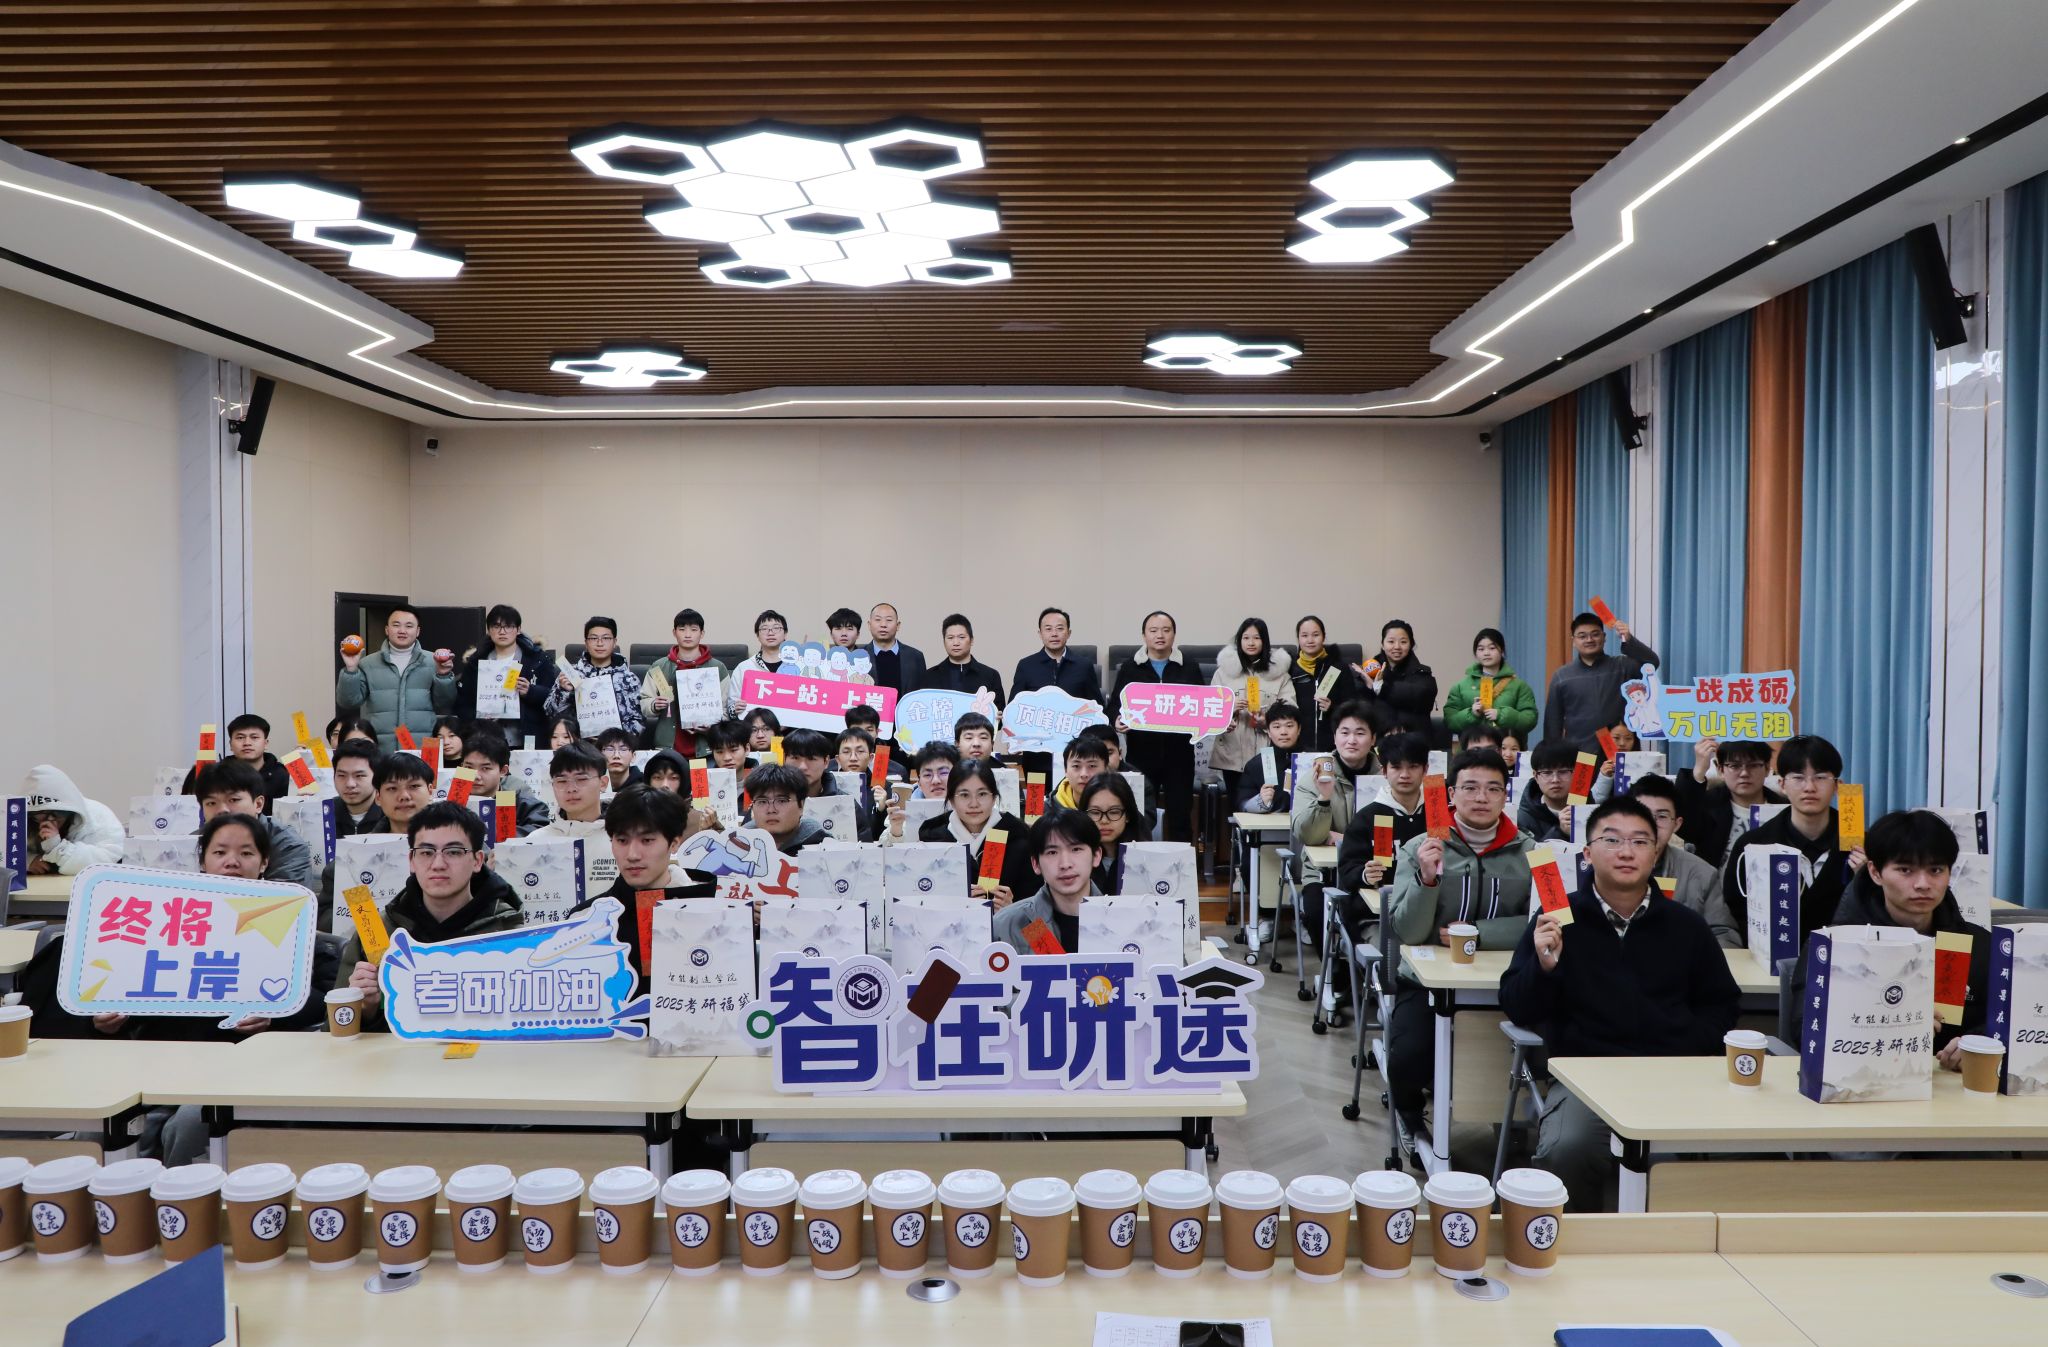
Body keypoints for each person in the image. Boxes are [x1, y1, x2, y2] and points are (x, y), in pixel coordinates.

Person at [1500, 795, 1740, 1209]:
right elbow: (1518, 1007)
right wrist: (1544, 967)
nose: (1626, 852)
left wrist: (1686, 1043)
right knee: (1567, 1150)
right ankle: (1580, 1240)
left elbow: (1722, 1004)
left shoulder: (1686, 926)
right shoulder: (1558, 920)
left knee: (1691, 1162)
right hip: (1587, 1077)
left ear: (1656, 852)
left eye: (1640, 841)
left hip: (1673, 1076)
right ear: (1588, 853)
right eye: (1611, 840)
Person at [1384, 747, 1535, 1139]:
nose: (1481, 797)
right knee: (1408, 1054)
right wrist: (1427, 879)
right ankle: (1409, 1113)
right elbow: (1408, 931)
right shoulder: (1419, 846)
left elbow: (1553, 921)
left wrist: (1479, 933)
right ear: (1450, 793)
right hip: (1428, 983)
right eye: (1470, 787)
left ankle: (1516, 1117)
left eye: (1493, 788)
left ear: (1506, 795)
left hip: (1511, 983)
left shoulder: (1536, 853)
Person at [1796, 809, 1990, 1063]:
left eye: (1935, 870)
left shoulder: (1979, 946)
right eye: (1905, 870)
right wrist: (1889, 1027)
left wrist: (1979, 1042)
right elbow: (1804, 1030)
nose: (1923, 884)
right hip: (1866, 1078)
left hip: (1953, 1083)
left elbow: (2008, 1021)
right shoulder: (1833, 948)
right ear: (1875, 873)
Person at [336, 802, 525, 1033]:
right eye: (426, 852)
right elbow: (335, 1027)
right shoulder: (378, 930)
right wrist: (366, 1011)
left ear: (477, 860)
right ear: (411, 860)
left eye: (453, 852)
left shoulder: (509, 932)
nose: (438, 864)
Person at [1721, 735, 1864, 948]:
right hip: (1770, 956)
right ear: (1782, 784)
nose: (1809, 787)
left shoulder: (1862, 845)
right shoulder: (1754, 844)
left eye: (1820, 777)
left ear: (1837, 786)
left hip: (1844, 957)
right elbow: (1736, 910)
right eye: (1798, 778)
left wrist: (1864, 880)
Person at [571, 785, 717, 977]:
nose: (632, 855)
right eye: (622, 840)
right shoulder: (584, 919)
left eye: (647, 840)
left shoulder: (715, 916)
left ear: (674, 843)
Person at [895, 758, 1035, 909]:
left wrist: (1013, 911)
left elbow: (1038, 915)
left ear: (994, 797)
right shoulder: (932, 842)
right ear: (951, 800)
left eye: (982, 794)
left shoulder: (1020, 840)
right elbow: (917, 904)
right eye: (964, 795)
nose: (974, 804)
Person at [1107, 611, 1196, 842]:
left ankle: (1182, 863)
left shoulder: (1189, 667)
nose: (1160, 635)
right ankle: (1137, 859)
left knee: (1180, 816)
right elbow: (1115, 705)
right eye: (1153, 630)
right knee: (1139, 814)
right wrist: (1117, 720)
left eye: (1166, 630)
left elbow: (1202, 706)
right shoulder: (1130, 668)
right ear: (1144, 635)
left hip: (1180, 755)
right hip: (1142, 754)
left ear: (1174, 634)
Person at [1627, 775, 1741, 947]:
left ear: (1677, 824)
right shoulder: (1600, 865)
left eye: (1662, 816)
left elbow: (1724, 933)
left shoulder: (1702, 874)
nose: (1651, 824)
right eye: (1643, 814)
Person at [1333, 730, 1431, 908]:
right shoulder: (1368, 817)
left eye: (1413, 766)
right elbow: (1347, 870)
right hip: (1378, 911)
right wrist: (1364, 875)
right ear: (1384, 771)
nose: (1405, 774)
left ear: (1425, 769)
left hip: (1430, 906)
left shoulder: (1438, 814)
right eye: (1396, 767)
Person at [336, 607, 458, 751]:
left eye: (409, 626)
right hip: (380, 748)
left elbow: (445, 703)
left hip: (422, 746)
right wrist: (350, 669)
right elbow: (348, 702)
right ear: (387, 629)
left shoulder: (433, 661)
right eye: (396, 625)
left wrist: (443, 675)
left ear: (418, 631)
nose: (402, 630)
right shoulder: (368, 663)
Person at [1542, 610, 1662, 748]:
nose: (1589, 640)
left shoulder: (1622, 666)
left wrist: (1629, 640)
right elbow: (1553, 722)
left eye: (1595, 634)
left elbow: (1651, 663)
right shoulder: (1562, 676)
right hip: (1582, 753)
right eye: (1582, 636)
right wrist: (1552, 755)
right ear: (1573, 641)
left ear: (1604, 637)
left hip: (1619, 750)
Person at [192, 759, 317, 890]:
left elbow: (286, 898)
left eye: (233, 800)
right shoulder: (193, 841)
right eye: (211, 803)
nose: (222, 810)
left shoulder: (288, 845)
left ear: (258, 804)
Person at [993, 810, 1105, 955]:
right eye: (1052, 852)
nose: (1065, 864)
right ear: (1035, 864)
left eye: (1076, 849)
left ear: (1096, 856)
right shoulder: (1006, 925)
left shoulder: (1122, 919)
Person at [1210, 617, 1296, 806]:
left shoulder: (1279, 674)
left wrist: (1267, 719)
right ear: (1239, 641)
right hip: (1232, 751)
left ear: (1264, 641)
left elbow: (1290, 710)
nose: (1251, 642)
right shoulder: (1223, 673)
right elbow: (1209, 709)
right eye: (1246, 638)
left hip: (1268, 751)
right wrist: (1228, 713)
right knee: (1236, 804)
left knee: (1269, 801)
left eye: (1256, 638)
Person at [456, 603, 558, 748]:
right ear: (489, 630)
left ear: (518, 630)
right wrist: (478, 719)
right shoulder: (476, 662)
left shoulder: (537, 660)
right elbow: (463, 703)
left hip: (528, 737)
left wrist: (531, 691)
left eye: (508, 626)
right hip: (487, 739)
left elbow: (554, 697)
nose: (502, 632)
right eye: (496, 626)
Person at [1673, 738, 1784, 870]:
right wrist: (1698, 772)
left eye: (1753, 765)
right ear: (1721, 770)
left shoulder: (1784, 809)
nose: (1744, 773)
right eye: (1734, 766)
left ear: (1767, 768)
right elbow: (1683, 826)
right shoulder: (1709, 806)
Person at [641, 608, 727, 758]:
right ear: (674, 632)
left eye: (693, 630)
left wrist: (711, 725)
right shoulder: (659, 667)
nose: (687, 635)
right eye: (682, 629)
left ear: (702, 633)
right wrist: (654, 704)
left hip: (706, 749)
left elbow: (726, 709)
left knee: (702, 775)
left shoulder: (717, 668)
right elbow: (644, 702)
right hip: (668, 749)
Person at [544, 616, 645, 740]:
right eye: (593, 638)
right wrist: (563, 690)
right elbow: (550, 713)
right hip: (578, 745)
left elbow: (638, 720)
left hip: (615, 746)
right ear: (586, 643)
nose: (600, 643)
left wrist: (615, 741)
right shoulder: (571, 674)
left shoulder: (629, 679)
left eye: (606, 638)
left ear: (614, 642)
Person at [14, 764, 123, 875]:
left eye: (57, 813)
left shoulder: (98, 815)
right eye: (39, 814)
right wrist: (27, 860)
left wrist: (58, 849)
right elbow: (6, 850)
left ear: (69, 809)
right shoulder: (22, 819)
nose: (49, 820)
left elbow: (109, 860)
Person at [1442, 628, 1540, 741]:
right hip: (1473, 748)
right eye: (1481, 649)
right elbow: (1450, 721)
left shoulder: (1520, 686)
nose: (1486, 653)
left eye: (1492, 648)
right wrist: (1472, 714)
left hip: (1505, 749)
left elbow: (1530, 719)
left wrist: (1502, 715)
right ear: (1476, 653)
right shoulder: (1460, 687)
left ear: (1502, 651)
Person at [179, 713, 292, 808]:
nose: (247, 743)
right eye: (240, 737)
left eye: (254, 737)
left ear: (265, 743)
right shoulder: (214, 774)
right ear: (230, 745)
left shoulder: (283, 774)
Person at [1285, 615, 1362, 751]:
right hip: (1298, 745)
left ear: (1324, 637)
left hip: (1333, 744)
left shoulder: (1338, 667)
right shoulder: (1290, 670)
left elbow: (1353, 706)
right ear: (1298, 638)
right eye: (1304, 635)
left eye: (1315, 635)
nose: (1310, 640)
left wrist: (1333, 708)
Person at [782, 728, 874, 841]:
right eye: (795, 758)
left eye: (811, 758)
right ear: (784, 759)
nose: (803, 767)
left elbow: (864, 847)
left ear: (826, 761)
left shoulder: (845, 804)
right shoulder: (771, 800)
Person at [457, 728, 551, 837]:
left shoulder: (518, 801)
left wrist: (495, 835)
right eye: (469, 767)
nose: (476, 776)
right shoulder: (453, 800)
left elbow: (541, 829)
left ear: (503, 771)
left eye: (485, 768)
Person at [1357, 620, 1439, 736]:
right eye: (1391, 641)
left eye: (1403, 642)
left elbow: (1422, 696)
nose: (1397, 647)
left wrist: (1381, 688)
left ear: (1411, 644)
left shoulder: (1422, 672)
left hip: (1413, 738)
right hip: (1378, 738)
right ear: (1382, 644)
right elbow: (1361, 708)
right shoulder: (1368, 671)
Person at [1078, 772, 1149, 893]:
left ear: (1128, 815)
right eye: (1095, 812)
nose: (1104, 820)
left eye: (1114, 812)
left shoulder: (1146, 857)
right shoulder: (1075, 856)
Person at [1012, 606, 1102, 702]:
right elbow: (1013, 705)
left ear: (1068, 633)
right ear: (1040, 634)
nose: (1054, 634)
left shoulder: (1084, 666)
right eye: (1048, 629)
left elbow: (1097, 706)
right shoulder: (1026, 666)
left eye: (1059, 628)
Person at [921, 613, 1007, 711]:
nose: (956, 643)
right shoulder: (930, 676)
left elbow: (1000, 712)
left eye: (961, 637)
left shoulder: (990, 675)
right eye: (950, 638)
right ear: (944, 641)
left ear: (972, 640)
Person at [1232, 702, 1303, 814]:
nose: (1283, 732)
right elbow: (1242, 804)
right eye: (1277, 727)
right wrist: (1260, 801)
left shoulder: (1313, 759)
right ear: (1268, 731)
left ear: (1299, 729)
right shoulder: (1257, 764)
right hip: (1269, 823)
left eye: (1289, 726)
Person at [742, 763, 827, 855]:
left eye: (781, 801)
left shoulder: (823, 846)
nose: (771, 810)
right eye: (762, 801)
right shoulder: (739, 843)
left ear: (801, 806)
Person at [533, 740, 608, 842]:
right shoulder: (537, 841)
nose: (571, 789)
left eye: (581, 779)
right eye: (562, 781)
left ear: (603, 783)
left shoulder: (622, 837)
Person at [727, 610, 793, 715]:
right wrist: (734, 708)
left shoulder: (798, 666)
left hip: (791, 723)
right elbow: (731, 706)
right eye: (764, 628)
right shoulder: (744, 668)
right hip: (754, 724)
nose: (770, 632)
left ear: (785, 634)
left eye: (776, 628)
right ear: (757, 636)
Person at [1518, 740, 1581, 844]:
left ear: (1576, 773)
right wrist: (1560, 832)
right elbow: (1529, 854)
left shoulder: (1589, 808)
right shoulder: (1523, 819)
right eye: (1547, 773)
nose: (1555, 780)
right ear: (1536, 776)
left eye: (1563, 772)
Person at [862, 602, 927, 697]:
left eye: (889, 620)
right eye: (878, 620)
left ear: (898, 625)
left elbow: (922, 693)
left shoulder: (915, 656)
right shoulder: (859, 656)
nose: (883, 624)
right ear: (869, 625)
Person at [330, 739, 385, 836]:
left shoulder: (391, 814)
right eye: (342, 775)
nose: (350, 784)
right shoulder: (324, 813)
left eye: (359, 776)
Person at [1054, 736, 1113, 811]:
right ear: (1066, 770)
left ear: (1106, 769)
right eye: (1076, 766)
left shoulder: (1119, 806)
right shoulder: (1046, 811)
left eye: (1092, 766)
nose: (1084, 774)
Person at [594, 726, 643, 793]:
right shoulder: (592, 785)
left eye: (623, 749)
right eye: (610, 749)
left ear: (633, 756)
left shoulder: (644, 789)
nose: (616, 756)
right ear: (599, 754)